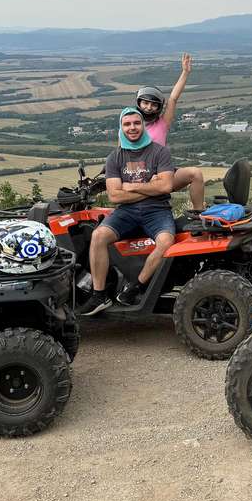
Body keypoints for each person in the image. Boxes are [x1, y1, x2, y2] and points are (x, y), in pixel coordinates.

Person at [80, 108, 177, 316]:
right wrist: (150, 187)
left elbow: (166, 187)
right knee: (98, 236)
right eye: (127, 124)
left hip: (157, 211)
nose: (132, 127)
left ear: (143, 125)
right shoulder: (115, 157)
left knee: (167, 243)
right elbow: (115, 196)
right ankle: (99, 295)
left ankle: (135, 287)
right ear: (121, 128)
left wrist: (131, 186)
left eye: (136, 123)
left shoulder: (160, 152)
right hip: (126, 212)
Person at [135, 52, 206, 214]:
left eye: (153, 105)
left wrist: (185, 72)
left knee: (195, 173)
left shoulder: (162, 124)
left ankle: (198, 213)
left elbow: (173, 98)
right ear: (139, 103)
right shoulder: (130, 127)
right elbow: (122, 154)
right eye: (145, 103)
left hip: (164, 173)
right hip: (141, 177)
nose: (148, 107)